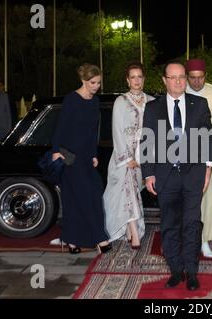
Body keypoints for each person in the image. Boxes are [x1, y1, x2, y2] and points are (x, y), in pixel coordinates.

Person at [141, 60, 212, 291]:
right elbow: (146, 141)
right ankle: (175, 270)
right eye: (173, 77)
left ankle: (192, 272)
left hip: (193, 174)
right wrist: (148, 174)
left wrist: (208, 169)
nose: (179, 81)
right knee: (170, 225)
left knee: (192, 224)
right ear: (164, 80)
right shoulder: (153, 108)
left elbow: (208, 137)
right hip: (165, 176)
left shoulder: (200, 104)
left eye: (182, 76)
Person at [51, 63, 111, 254]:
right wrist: (56, 150)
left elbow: (93, 131)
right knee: (83, 195)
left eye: (99, 83)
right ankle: (99, 238)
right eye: (93, 82)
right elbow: (61, 127)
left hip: (86, 156)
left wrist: (93, 153)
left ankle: (72, 239)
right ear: (83, 81)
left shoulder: (94, 101)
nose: (96, 86)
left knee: (89, 193)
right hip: (69, 155)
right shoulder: (71, 99)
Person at [103, 62, 154, 248]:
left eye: (139, 76)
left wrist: (149, 156)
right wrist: (127, 158)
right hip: (124, 157)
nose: (136, 80)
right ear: (127, 80)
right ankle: (135, 234)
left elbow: (153, 131)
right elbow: (117, 130)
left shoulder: (151, 101)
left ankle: (128, 229)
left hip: (144, 156)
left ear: (143, 78)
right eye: (133, 77)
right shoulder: (121, 101)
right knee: (129, 190)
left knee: (132, 193)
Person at [185, 58, 212, 258]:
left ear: (205, 76)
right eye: (192, 78)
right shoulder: (179, 93)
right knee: (186, 202)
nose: (196, 82)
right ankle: (187, 241)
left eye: (200, 77)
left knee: (209, 202)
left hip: (208, 160)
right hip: (184, 158)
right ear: (187, 77)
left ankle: (204, 241)